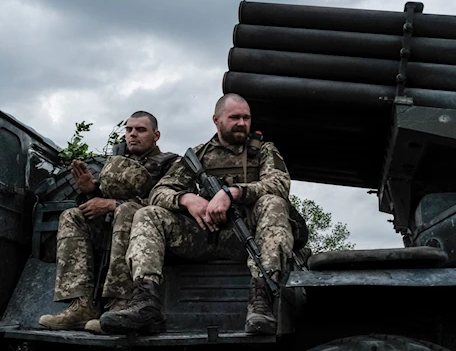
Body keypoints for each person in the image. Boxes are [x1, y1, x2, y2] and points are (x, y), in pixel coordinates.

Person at [99, 93, 294, 335]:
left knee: (273, 203)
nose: (242, 123)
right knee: (148, 214)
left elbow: (279, 185)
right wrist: (186, 199)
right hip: (201, 236)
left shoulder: (264, 151)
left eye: (246, 118)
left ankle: (261, 302)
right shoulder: (198, 155)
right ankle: (145, 302)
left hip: (248, 239)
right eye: (235, 117)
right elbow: (159, 191)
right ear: (216, 120)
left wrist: (233, 193)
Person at [38, 111, 178, 333]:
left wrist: (115, 203)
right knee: (72, 216)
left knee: (127, 210)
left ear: (156, 135)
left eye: (140, 130)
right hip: (109, 227)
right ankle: (81, 305)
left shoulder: (170, 162)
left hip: (147, 234)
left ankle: (121, 303)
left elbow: (166, 202)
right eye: (129, 129)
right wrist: (91, 191)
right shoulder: (117, 163)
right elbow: (101, 199)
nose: (133, 135)